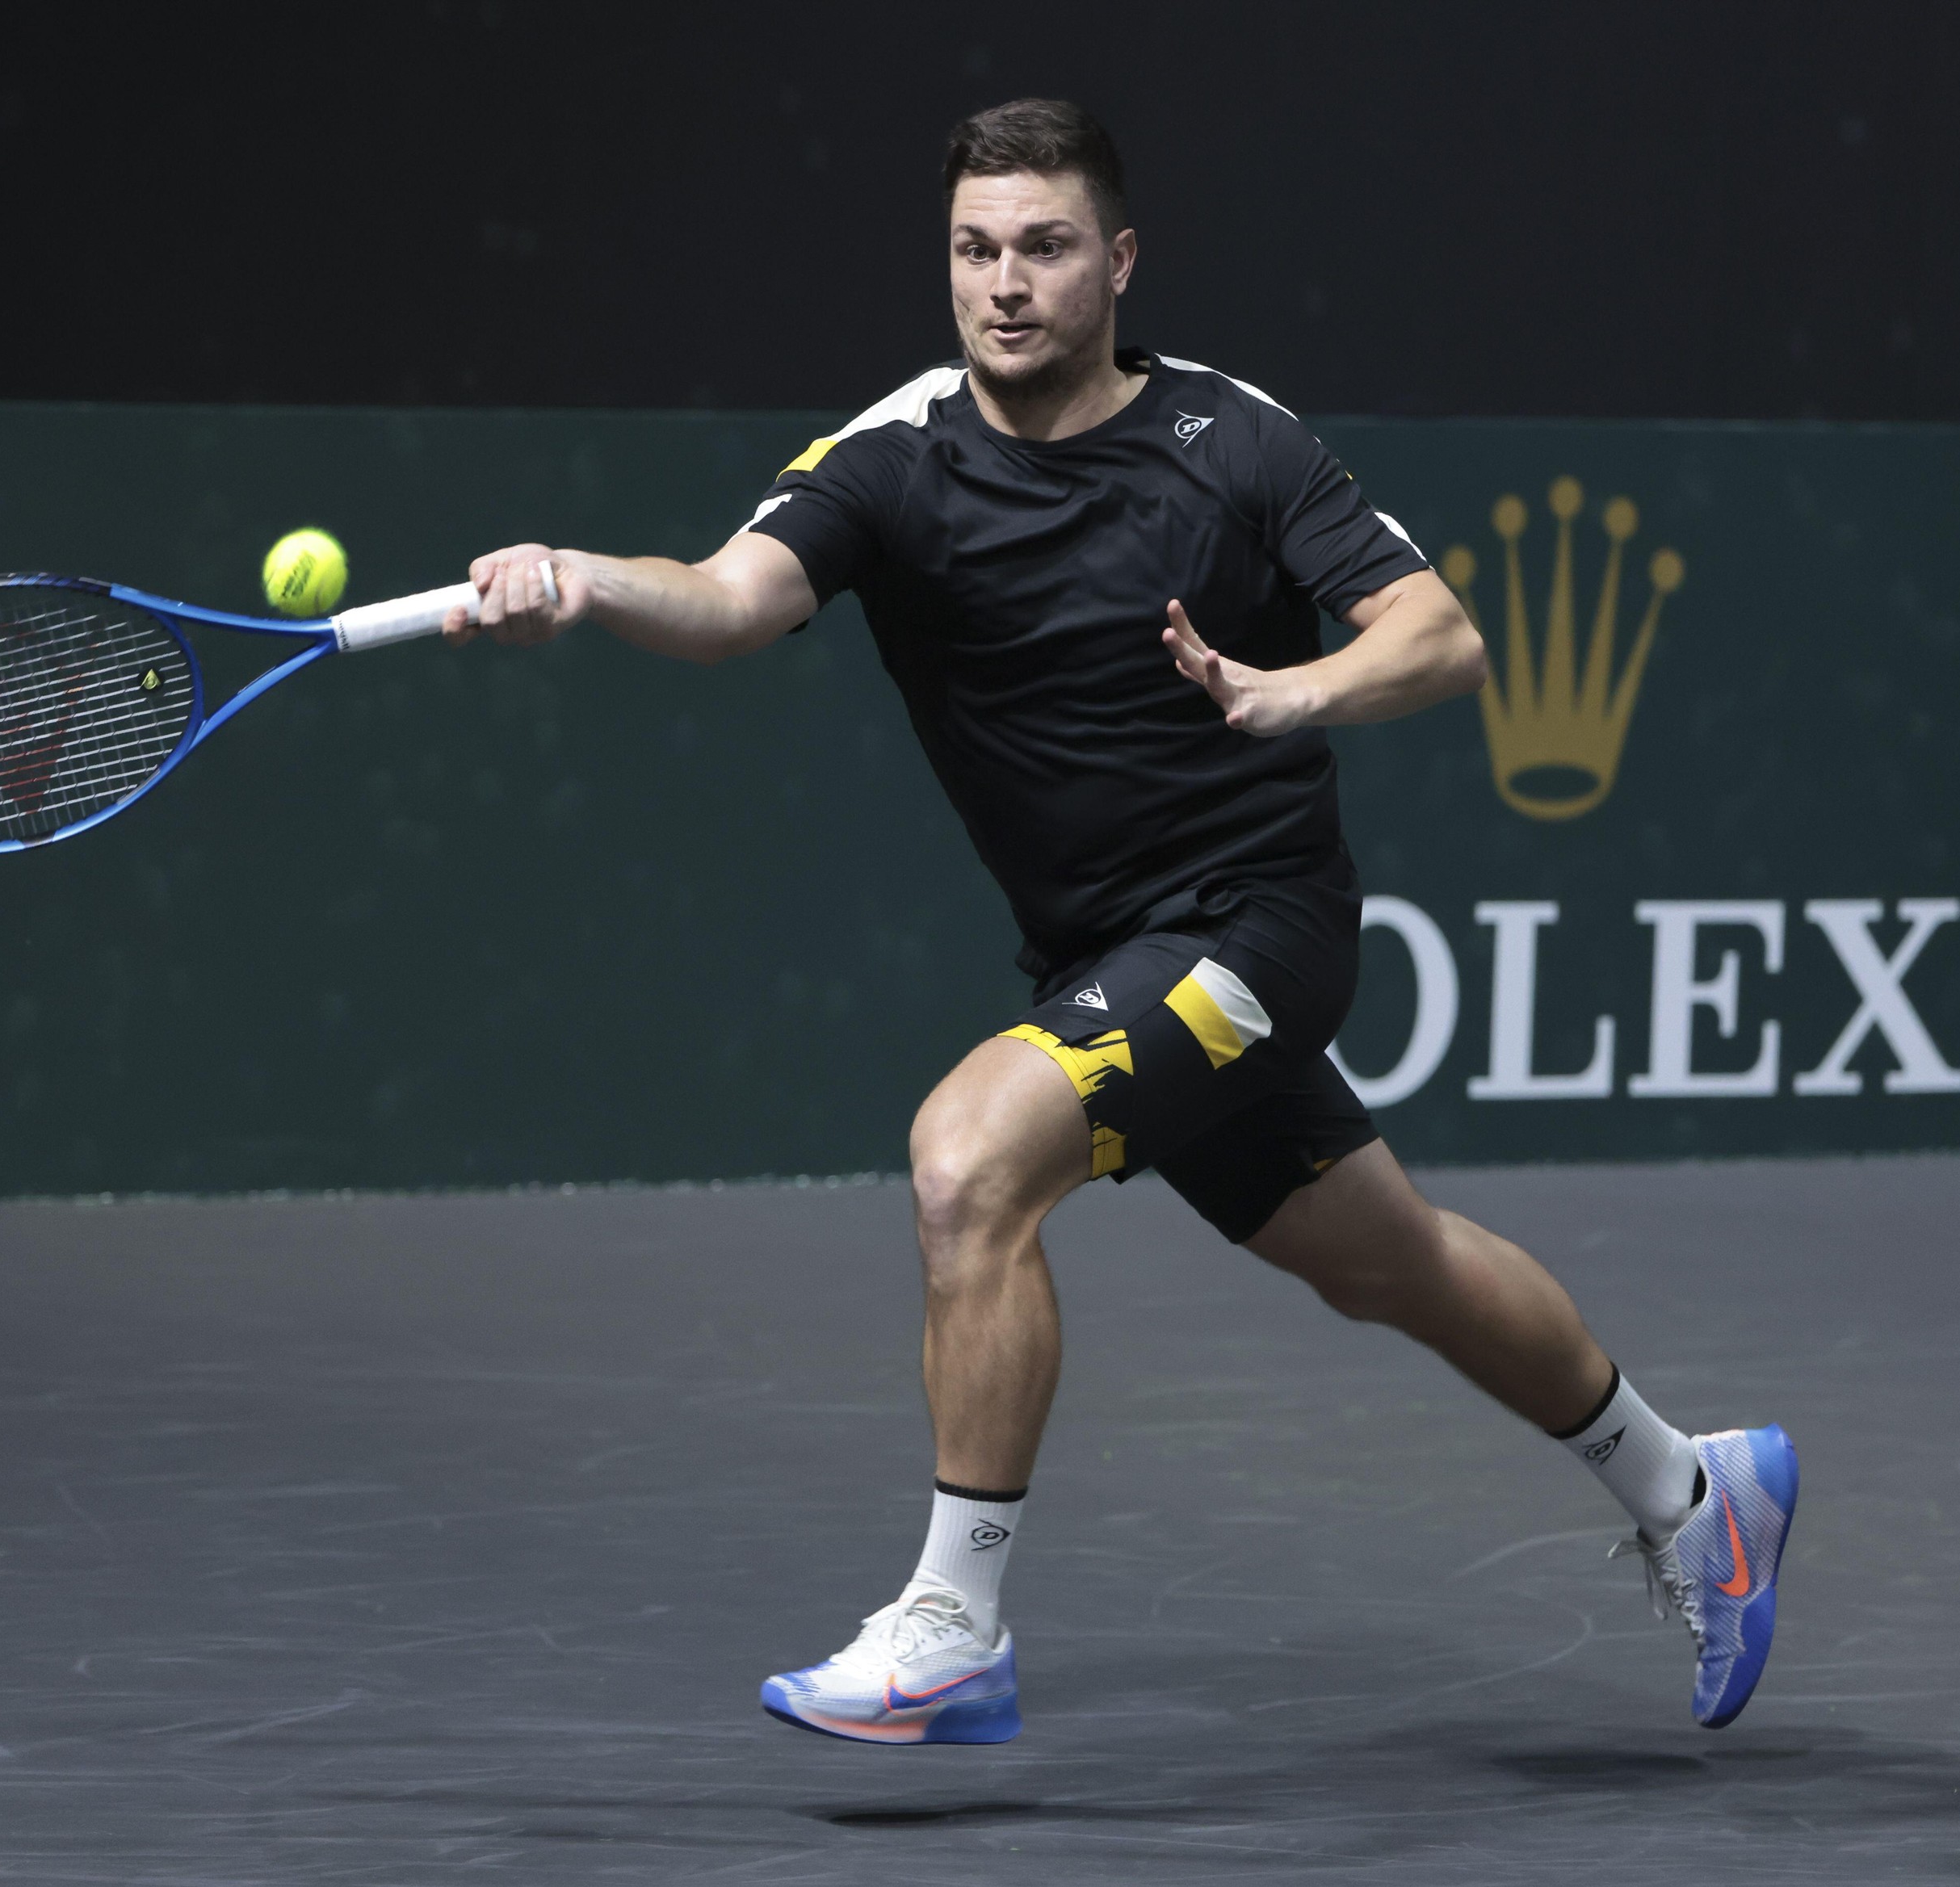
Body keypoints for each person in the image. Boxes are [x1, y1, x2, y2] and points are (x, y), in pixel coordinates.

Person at [445, 98, 1796, 1745]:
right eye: (971, 249)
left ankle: (951, 1618)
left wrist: (1290, 686)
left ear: (1118, 259)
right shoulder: (893, 456)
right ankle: (1692, 1484)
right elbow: (729, 601)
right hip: (1103, 954)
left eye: (1042, 245)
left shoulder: (1231, 441)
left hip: (1260, 923)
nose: (1002, 284)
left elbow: (1439, 637)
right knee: (1392, 1264)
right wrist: (580, 577)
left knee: (967, 1157)